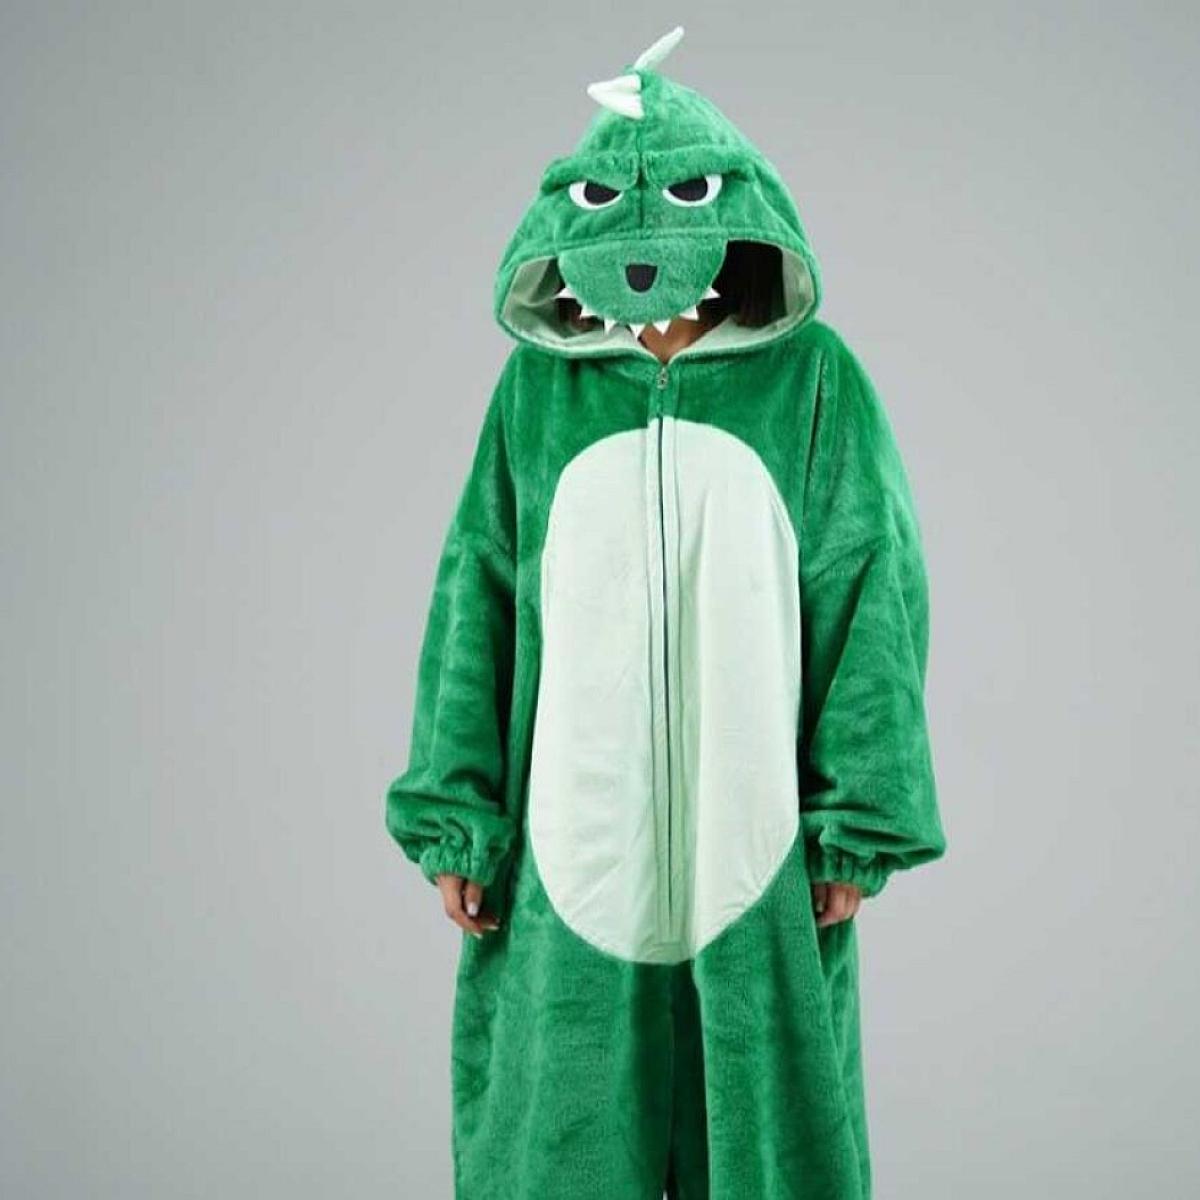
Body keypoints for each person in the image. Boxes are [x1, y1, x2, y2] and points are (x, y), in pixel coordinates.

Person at [385, 26, 946, 1199]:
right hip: (572, 832)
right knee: (562, 1132)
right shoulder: (540, 392)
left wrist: (854, 821)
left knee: (770, 1135)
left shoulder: (813, 381)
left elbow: (870, 590)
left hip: (757, 836)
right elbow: (476, 589)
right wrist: (459, 808)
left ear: (733, 216)